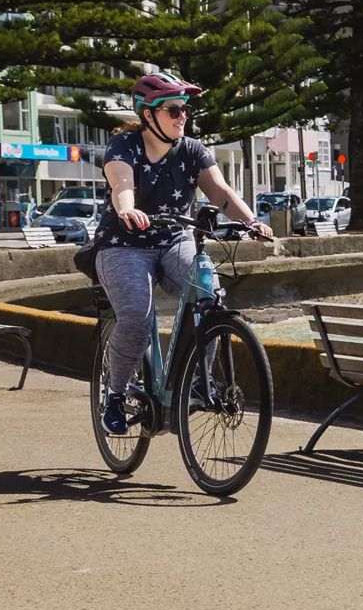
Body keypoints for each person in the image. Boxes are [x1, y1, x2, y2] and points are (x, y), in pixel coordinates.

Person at [96, 72, 272, 436]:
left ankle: (196, 382)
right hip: (124, 244)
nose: (182, 117)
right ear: (148, 115)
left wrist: (252, 221)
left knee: (209, 299)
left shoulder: (193, 150)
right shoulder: (124, 146)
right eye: (173, 110)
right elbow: (121, 184)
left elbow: (221, 192)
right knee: (136, 316)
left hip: (176, 239)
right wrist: (127, 209)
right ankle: (114, 394)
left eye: (185, 111)